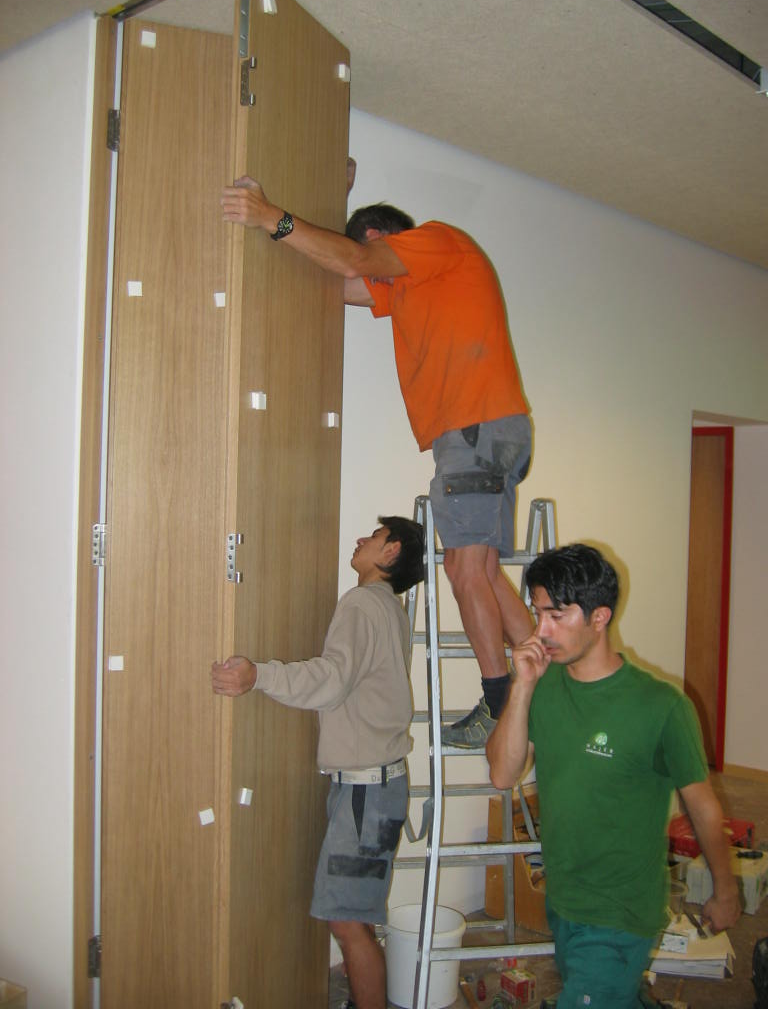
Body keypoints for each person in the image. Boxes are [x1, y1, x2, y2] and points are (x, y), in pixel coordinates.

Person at [221, 177, 533, 748]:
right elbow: (338, 280)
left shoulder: (435, 242)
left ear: (378, 237)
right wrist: (323, 194)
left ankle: (499, 702)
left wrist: (272, 217)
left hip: (476, 427)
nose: (376, 282)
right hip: (485, 429)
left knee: (463, 571)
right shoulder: (408, 287)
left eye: (374, 259)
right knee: (484, 572)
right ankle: (544, 679)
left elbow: (356, 261)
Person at [485, 543, 742, 1009]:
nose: (541, 631)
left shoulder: (661, 706)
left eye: (557, 615)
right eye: (538, 613)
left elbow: (702, 806)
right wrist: (521, 685)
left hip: (619, 911)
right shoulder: (544, 684)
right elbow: (503, 774)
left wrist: (726, 889)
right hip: (564, 898)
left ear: (599, 617)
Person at [211, 515, 424, 1009]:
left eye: (374, 536)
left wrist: (258, 676)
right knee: (353, 918)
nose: (361, 539)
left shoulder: (362, 604)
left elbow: (331, 679)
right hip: (374, 787)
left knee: (347, 923)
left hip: (366, 793)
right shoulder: (389, 609)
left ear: (391, 552)